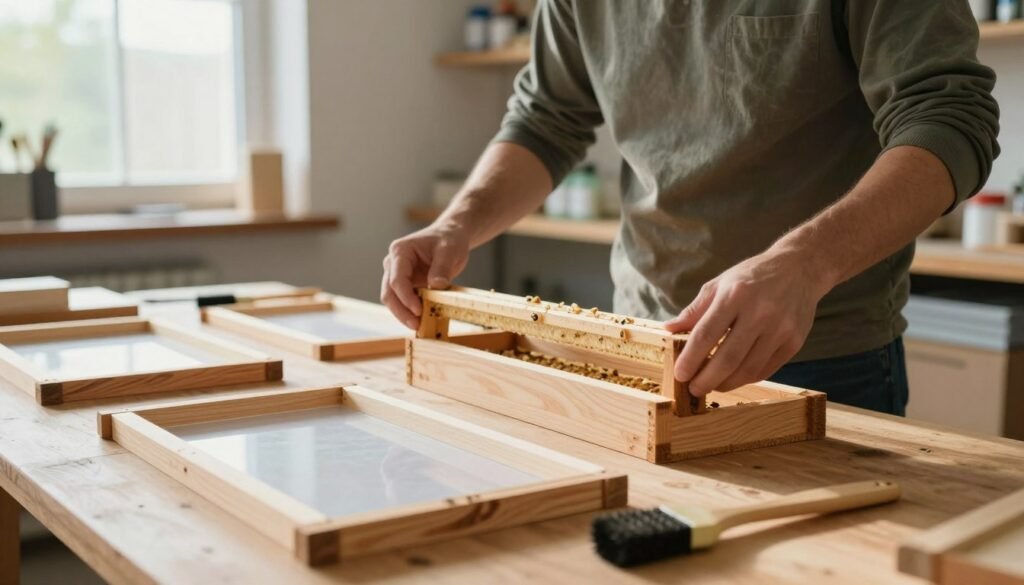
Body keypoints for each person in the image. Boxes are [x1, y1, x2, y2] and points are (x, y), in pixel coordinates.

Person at [382, 1, 999, 415]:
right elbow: (546, 119)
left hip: (822, 357)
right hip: (640, 342)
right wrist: (455, 224)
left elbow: (948, 118)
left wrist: (803, 264)